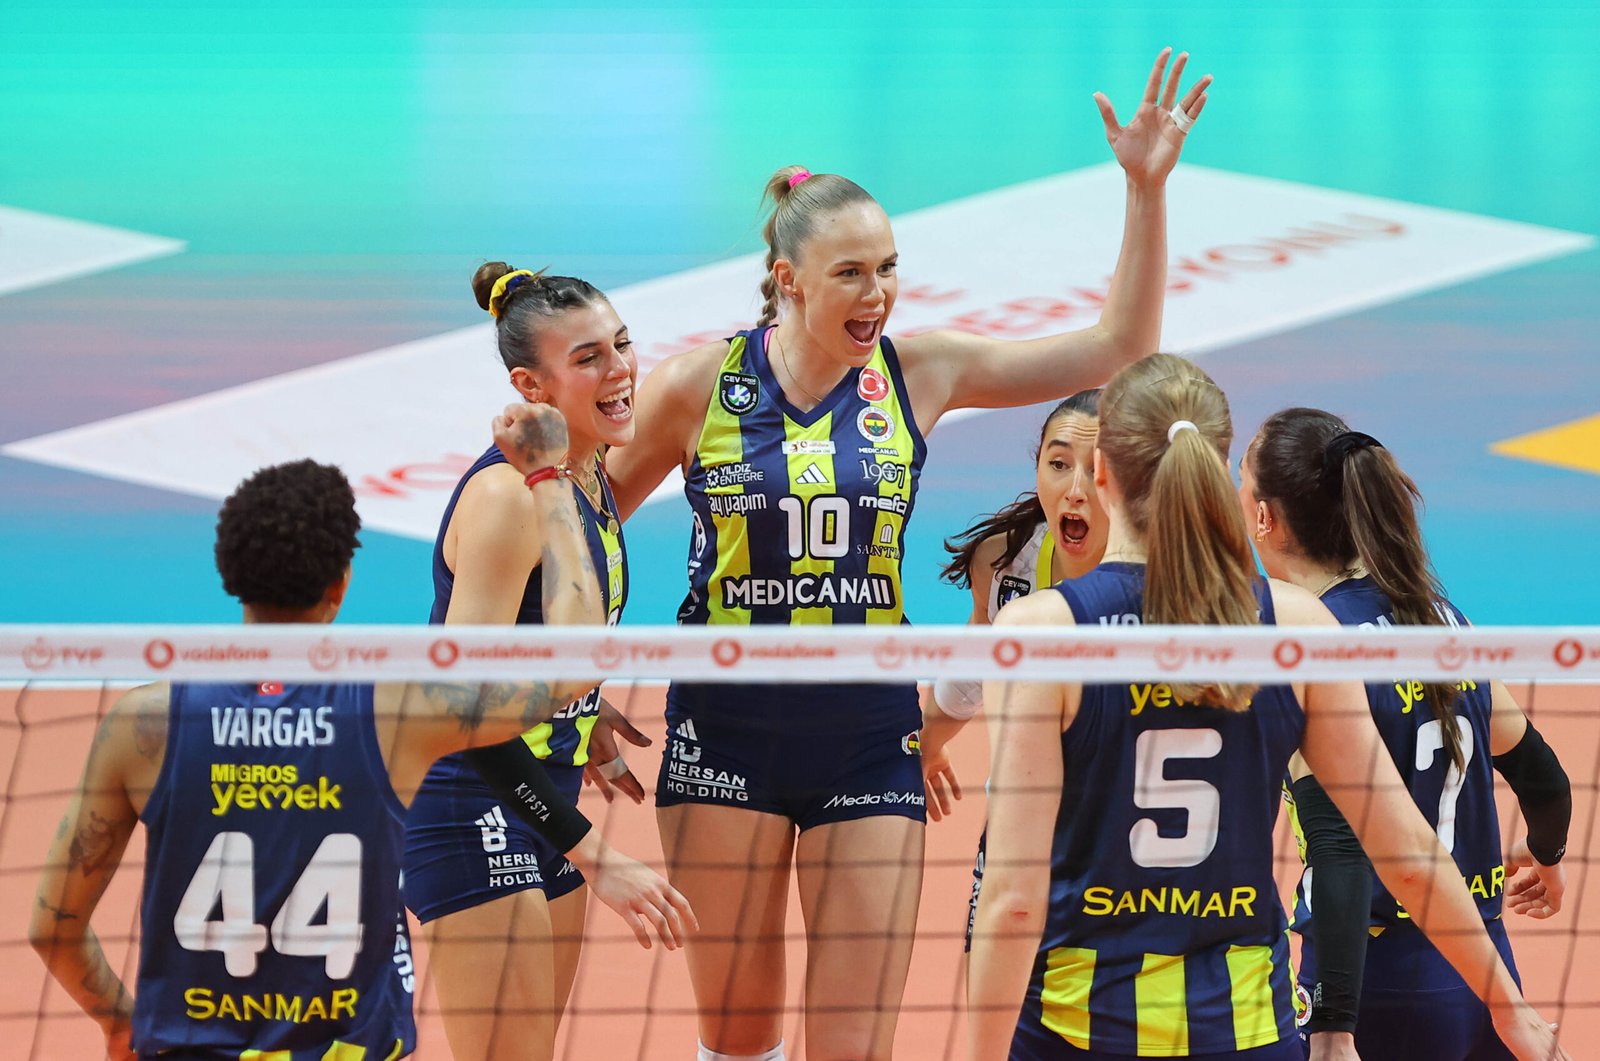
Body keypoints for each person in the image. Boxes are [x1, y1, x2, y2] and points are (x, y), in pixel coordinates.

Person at [607, 48, 1212, 1061]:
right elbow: (588, 530)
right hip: (724, 724)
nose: (877, 292)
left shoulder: (918, 372)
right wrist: (572, 689)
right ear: (787, 280)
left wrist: (1144, 190)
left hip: (866, 725)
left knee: (856, 1046)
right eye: (851, 273)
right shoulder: (695, 387)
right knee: (738, 1038)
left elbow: (1119, 350)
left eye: (888, 267)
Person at [29, 408, 691, 1061]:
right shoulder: (397, 712)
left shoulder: (143, 723)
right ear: (342, 583)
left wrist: (119, 1025)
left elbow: (51, 929)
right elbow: (576, 660)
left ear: (227, 572)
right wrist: (548, 477)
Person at [966, 353, 1567, 1061]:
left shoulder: (1042, 634)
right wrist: (1508, 1007)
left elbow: (1013, 898)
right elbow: (1405, 850)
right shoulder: (1296, 626)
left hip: (1078, 1028)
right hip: (1247, 1029)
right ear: (1219, 472)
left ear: (1101, 473)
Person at [402, 263, 691, 1061]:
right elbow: (461, 707)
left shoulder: (586, 475)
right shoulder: (510, 498)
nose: (621, 369)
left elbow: (551, 640)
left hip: (544, 791)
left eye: (622, 344)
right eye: (589, 357)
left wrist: (578, 711)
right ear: (531, 387)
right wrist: (592, 851)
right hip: (471, 798)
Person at [1239, 407, 1572, 1061]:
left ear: (1264, 518)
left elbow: (1341, 849)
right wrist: (1548, 857)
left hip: (1379, 981)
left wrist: (1333, 1024)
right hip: (1484, 965)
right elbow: (1544, 777)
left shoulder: (1313, 646)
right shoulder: (1440, 617)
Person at [925, 390, 1107, 955]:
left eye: (1096, 468)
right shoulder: (1005, 562)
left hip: (1122, 838)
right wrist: (924, 742)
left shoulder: (1169, 574)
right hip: (1017, 830)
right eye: (1059, 464)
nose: (1075, 488)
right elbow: (975, 667)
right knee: (994, 992)